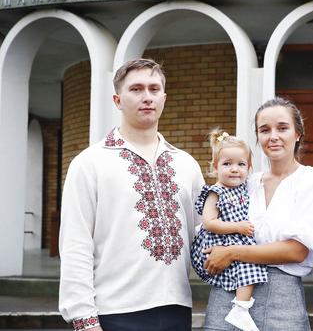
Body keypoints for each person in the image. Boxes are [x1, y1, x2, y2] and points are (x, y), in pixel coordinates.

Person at [58, 58, 205, 331]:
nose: (147, 97)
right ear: (117, 100)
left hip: (177, 309)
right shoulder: (90, 163)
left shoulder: (186, 164)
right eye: (136, 89)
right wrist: (85, 320)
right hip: (113, 312)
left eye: (154, 89)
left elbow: (202, 235)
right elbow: (75, 244)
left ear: (164, 97)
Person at [202, 97, 313, 331]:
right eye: (264, 130)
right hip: (228, 290)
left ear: (297, 134)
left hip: (281, 298)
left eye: (282, 128)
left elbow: (296, 251)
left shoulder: (312, 181)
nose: (273, 136)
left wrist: (231, 252)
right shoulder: (247, 183)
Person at [191, 128, 267, 331]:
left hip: (235, 240)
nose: (235, 169)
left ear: (249, 168)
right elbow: (209, 222)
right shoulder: (215, 192)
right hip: (217, 241)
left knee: (251, 266)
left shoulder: (244, 189)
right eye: (227, 164)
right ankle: (240, 310)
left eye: (241, 164)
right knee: (247, 266)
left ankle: (241, 309)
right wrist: (238, 227)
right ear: (215, 167)